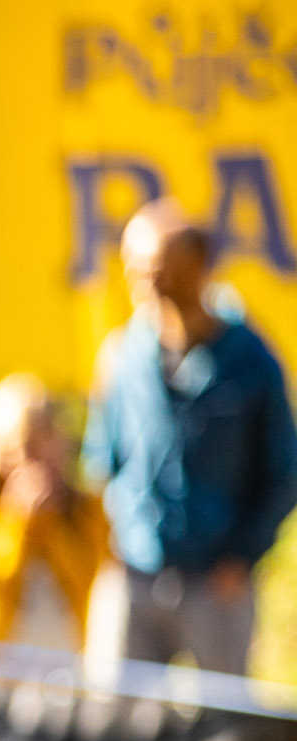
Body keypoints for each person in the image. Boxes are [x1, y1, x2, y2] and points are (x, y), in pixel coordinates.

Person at [82, 198, 297, 676]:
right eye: (136, 269)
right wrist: (112, 542)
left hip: (214, 582)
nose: (145, 282)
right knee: (117, 709)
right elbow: (102, 459)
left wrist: (243, 555)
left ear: (197, 266)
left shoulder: (250, 362)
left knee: (221, 715)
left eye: (159, 269)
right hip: (135, 573)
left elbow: (283, 471)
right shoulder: (124, 355)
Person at [0, 374, 111, 651]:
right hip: (4, 661)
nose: (30, 465)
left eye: (41, 447)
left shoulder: (88, 509)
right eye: (19, 451)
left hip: (70, 658)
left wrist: (51, 525)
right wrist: (18, 521)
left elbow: (91, 587)